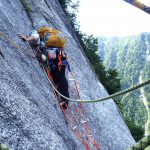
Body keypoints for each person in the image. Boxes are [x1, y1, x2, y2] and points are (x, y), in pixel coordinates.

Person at [18, 28, 69, 109]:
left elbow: (35, 36)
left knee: (61, 77)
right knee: (57, 77)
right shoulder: (46, 39)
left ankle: (65, 101)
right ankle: (59, 91)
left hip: (58, 58)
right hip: (58, 58)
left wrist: (27, 39)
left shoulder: (37, 35)